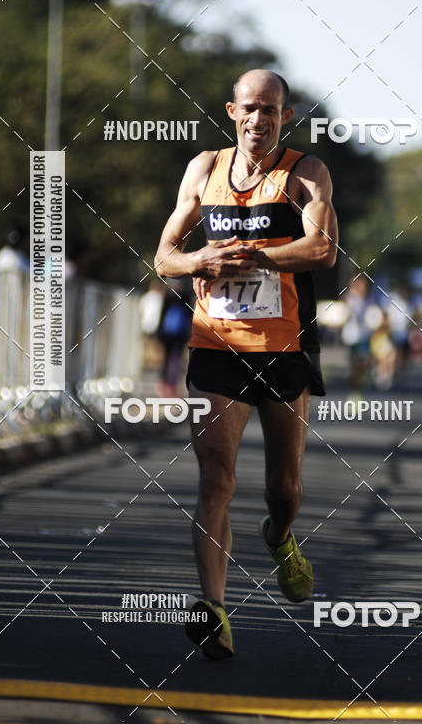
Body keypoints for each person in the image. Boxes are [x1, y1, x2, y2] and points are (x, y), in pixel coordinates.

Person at [154, 69, 338, 659]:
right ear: (232, 111)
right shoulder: (203, 169)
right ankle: (212, 607)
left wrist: (256, 255)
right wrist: (201, 259)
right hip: (216, 347)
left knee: (283, 488)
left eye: (272, 110)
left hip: (284, 351)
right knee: (217, 478)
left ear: (285, 116)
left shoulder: (305, 171)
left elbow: (321, 249)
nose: (260, 119)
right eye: (250, 109)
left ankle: (280, 538)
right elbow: (163, 258)